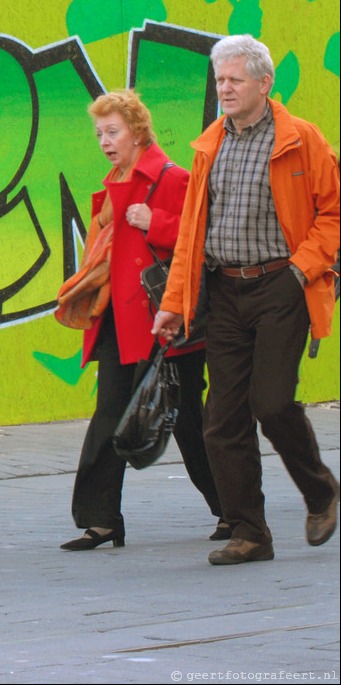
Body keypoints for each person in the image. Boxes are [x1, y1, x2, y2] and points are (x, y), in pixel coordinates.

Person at [154, 35, 340, 566]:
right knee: (221, 417)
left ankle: (320, 488)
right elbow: (191, 234)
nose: (226, 89)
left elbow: (333, 213)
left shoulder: (302, 140)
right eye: (220, 81)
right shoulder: (210, 145)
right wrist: (174, 302)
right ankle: (250, 531)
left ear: (265, 83)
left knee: (273, 403)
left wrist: (302, 270)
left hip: (284, 285)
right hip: (225, 290)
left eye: (236, 80)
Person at [52, 91, 224, 551]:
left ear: (138, 131)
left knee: (188, 420)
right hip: (117, 321)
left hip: (164, 322)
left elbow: (203, 241)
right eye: (100, 134)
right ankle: (101, 519)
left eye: (113, 131)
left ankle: (232, 508)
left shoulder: (173, 178)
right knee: (109, 413)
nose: (105, 141)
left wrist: (157, 222)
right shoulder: (114, 184)